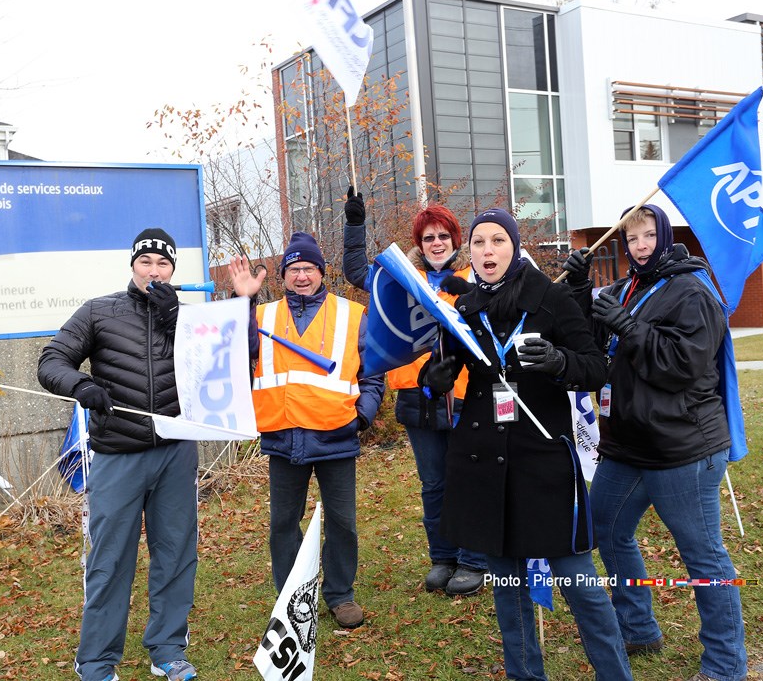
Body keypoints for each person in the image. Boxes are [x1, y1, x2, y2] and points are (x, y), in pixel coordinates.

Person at [37, 228, 261, 681]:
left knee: (176, 552)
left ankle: (167, 649)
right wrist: (82, 386)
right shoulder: (100, 312)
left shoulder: (188, 317)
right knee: (110, 559)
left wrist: (245, 304)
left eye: (163, 264)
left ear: (173, 270)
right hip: (118, 453)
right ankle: (97, 662)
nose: (154, 271)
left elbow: (243, 354)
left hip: (176, 452)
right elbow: (51, 361)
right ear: (133, 265)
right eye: (146, 263)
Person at [420, 209, 633, 681]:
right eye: (478, 243)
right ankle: (524, 675)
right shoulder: (465, 308)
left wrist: (559, 362)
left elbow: (596, 366)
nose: (487, 250)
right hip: (483, 466)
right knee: (508, 587)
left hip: (543, 466)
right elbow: (449, 368)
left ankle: (615, 674)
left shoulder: (550, 298)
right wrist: (432, 380)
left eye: (498, 241)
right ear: (468, 253)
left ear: (514, 247)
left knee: (580, 583)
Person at [564, 204, 748, 681]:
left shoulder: (693, 289)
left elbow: (684, 366)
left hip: (682, 448)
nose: (640, 246)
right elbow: (589, 344)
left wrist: (629, 327)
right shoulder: (628, 286)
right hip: (627, 444)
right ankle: (638, 627)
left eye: (648, 236)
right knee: (605, 531)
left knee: (703, 557)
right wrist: (582, 290)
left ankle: (725, 665)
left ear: (665, 236)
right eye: (632, 239)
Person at [342, 187, 488, 596]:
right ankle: (442, 556)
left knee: (468, 478)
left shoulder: (474, 280)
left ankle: (474, 560)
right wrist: (355, 226)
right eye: (428, 238)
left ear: (456, 242)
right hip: (416, 398)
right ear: (419, 244)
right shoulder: (405, 279)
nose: (437, 243)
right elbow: (356, 272)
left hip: (464, 397)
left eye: (443, 236)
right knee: (434, 483)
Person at [250, 231, 385, 629]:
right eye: (294, 269)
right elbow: (235, 351)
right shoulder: (262, 316)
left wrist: (362, 416)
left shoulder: (351, 313)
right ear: (284, 274)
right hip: (283, 436)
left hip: (336, 437)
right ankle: (291, 597)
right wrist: (243, 300)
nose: (302, 276)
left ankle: (340, 595)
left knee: (342, 522)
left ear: (321, 272)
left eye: (309, 268)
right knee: (282, 524)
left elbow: (373, 372)